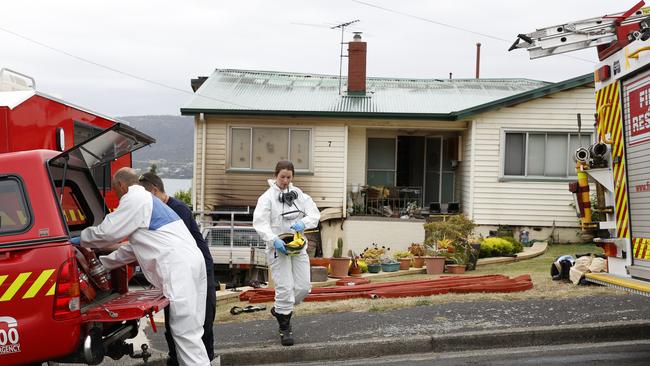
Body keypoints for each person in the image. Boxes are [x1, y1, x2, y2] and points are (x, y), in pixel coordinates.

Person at [77, 167, 210, 366]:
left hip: (179, 266)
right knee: (192, 330)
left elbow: (107, 233)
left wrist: (77, 239)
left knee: (184, 332)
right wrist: (103, 265)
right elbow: (133, 249)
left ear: (121, 185)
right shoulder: (150, 201)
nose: (115, 193)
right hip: (191, 262)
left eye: (114, 189)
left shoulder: (134, 199)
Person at [139, 172, 216, 364]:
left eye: (146, 197)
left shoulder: (176, 209)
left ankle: (204, 359)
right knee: (175, 323)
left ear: (155, 191)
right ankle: (176, 359)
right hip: (181, 274)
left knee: (199, 325)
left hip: (198, 272)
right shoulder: (165, 209)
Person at [252, 160, 320, 346]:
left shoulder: (299, 195)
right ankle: (285, 327)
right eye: (282, 177)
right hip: (278, 247)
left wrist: (303, 224)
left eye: (289, 177)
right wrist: (273, 240)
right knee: (284, 288)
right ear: (276, 176)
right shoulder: (266, 198)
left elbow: (314, 214)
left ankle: (280, 309)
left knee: (303, 287)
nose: (285, 180)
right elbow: (260, 223)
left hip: (298, 246)